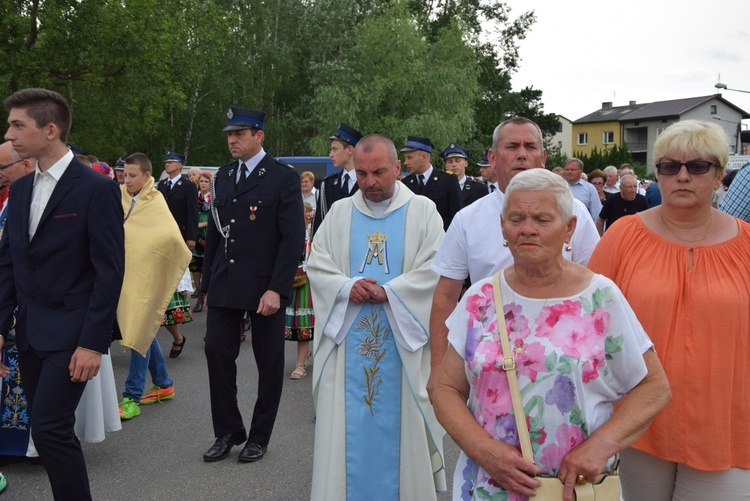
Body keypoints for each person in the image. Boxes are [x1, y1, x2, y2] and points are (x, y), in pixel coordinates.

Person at [432, 168, 670, 500]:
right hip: (487, 488)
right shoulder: (479, 299)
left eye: (542, 219)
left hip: (575, 490)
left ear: (569, 228)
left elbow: (654, 388)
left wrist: (601, 446)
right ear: (503, 226)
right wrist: (483, 450)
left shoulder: (600, 297)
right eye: (516, 219)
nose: (527, 229)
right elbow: (444, 388)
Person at [587, 120, 750, 500]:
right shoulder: (623, 236)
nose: (682, 176)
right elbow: (588, 322)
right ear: (657, 173)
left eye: (697, 167)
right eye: (669, 166)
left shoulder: (747, 244)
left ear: (719, 174)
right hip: (638, 420)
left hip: (726, 420)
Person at [0, 88, 124, 500]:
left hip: (73, 335)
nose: (9, 134)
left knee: (50, 428)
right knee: (45, 427)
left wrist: (93, 342)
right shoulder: (20, 191)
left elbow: (109, 272)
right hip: (32, 333)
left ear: (49, 130)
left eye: (18, 125)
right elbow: (8, 267)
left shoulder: (95, 189)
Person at [307, 134, 447, 500]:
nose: (370, 182)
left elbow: (437, 269)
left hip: (403, 349)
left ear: (397, 168)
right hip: (346, 351)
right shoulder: (339, 214)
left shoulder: (423, 211)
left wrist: (391, 292)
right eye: (363, 173)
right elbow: (318, 265)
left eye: (379, 173)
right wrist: (344, 288)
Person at [428, 117, 600, 397]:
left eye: (530, 146)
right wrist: (438, 368)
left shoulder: (574, 213)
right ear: (493, 158)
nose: (522, 154)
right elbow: (446, 297)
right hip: (488, 364)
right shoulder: (467, 219)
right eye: (512, 146)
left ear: (543, 157)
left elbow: (596, 289)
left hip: (562, 361)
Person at [201, 107, 304, 463]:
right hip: (226, 281)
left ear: (259, 136)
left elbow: (292, 239)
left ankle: (259, 436)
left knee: (269, 362)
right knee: (216, 352)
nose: (232, 140)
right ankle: (228, 430)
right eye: (229, 135)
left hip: (265, 287)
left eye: (239, 134)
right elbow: (216, 231)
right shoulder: (224, 177)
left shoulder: (281, 177)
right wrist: (208, 285)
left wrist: (278, 288)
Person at [115, 153, 192, 419]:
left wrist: (153, 260)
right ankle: (164, 383)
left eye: (133, 176)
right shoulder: (121, 197)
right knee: (143, 328)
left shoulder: (156, 202)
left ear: (148, 176)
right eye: (124, 175)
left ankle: (131, 396)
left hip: (148, 277)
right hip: (124, 275)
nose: (127, 180)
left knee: (139, 327)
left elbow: (171, 238)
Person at [156, 151, 198, 355]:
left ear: (180, 166)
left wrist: (191, 237)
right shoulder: (160, 186)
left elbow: (192, 211)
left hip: (179, 237)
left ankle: (177, 331)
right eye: (166, 161)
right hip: (161, 238)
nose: (167, 164)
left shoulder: (188, 186)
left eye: (171, 161)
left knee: (171, 283)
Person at [401, 135, 463, 230]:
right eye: (405, 158)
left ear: (424, 157)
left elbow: (456, 217)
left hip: (441, 240)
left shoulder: (448, 180)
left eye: (409, 157)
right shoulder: (405, 183)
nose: (405, 162)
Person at [314, 123, 363, 233]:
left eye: (335, 149)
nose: (331, 154)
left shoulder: (367, 183)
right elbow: (320, 224)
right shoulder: (328, 184)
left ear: (350, 150)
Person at [285, 202, 315, 379]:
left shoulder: (313, 237)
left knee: (303, 321)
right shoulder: (288, 233)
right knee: (291, 322)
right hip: (289, 280)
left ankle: (300, 363)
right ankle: (302, 358)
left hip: (309, 282)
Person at [191, 171, 211, 312]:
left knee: (206, 264)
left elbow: (216, 216)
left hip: (207, 232)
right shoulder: (195, 196)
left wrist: (203, 224)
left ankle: (205, 296)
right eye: (201, 181)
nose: (203, 184)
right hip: (195, 232)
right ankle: (198, 291)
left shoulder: (213, 198)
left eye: (206, 181)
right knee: (194, 264)